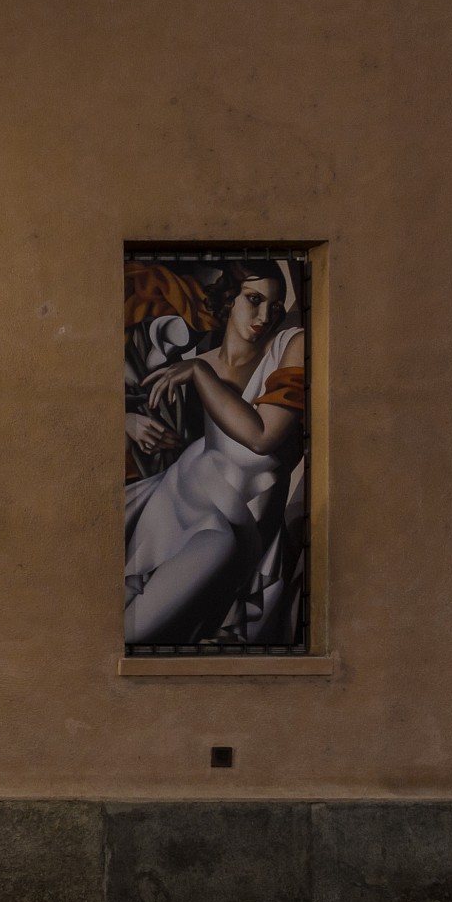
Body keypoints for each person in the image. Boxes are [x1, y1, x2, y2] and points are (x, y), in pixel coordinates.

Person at [123, 261, 307, 644]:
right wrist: (126, 420)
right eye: (253, 300)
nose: (265, 316)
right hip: (175, 501)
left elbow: (262, 438)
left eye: (275, 306)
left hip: (233, 525)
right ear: (228, 299)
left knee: (138, 632)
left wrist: (201, 376)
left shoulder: (289, 347)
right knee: (124, 630)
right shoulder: (185, 360)